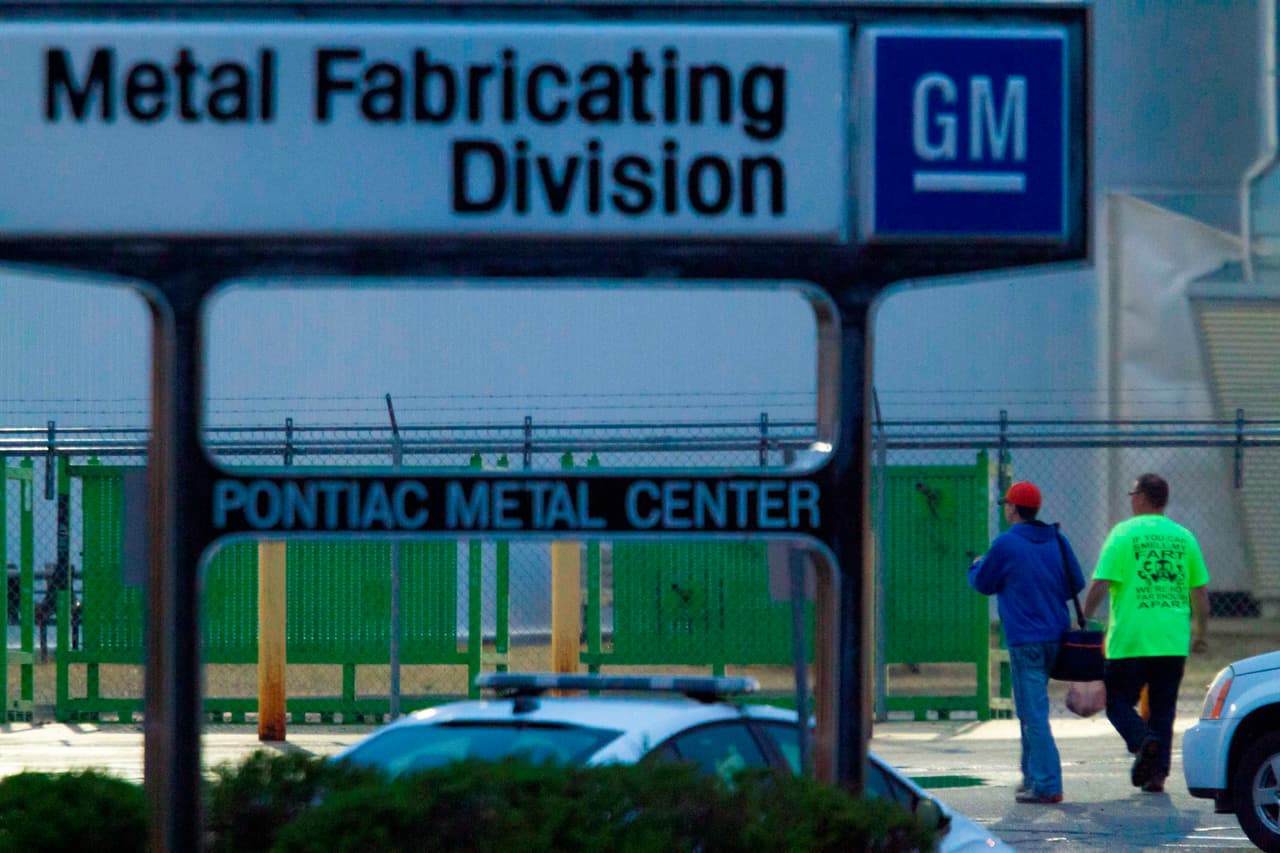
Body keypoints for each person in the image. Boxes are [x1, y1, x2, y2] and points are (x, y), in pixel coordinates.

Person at [1084, 473, 1210, 794]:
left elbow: (1100, 583)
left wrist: (1084, 617)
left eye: (1133, 494)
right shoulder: (1184, 537)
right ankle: (1157, 775)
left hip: (1131, 640)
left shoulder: (1123, 533)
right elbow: (1200, 592)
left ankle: (1143, 741)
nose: (1131, 499)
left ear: (1141, 497)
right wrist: (1201, 633)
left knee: (1115, 700)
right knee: (1163, 708)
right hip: (1172, 640)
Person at [969, 481, 1086, 805]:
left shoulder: (1005, 544)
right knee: (1029, 710)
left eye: (1007, 504)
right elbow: (1075, 582)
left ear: (1012, 509)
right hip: (1057, 637)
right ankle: (1031, 777)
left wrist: (976, 564)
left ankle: (1048, 784)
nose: (1006, 508)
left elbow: (984, 583)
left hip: (1026, 640)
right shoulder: (1056, 539)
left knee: (1033, 714)